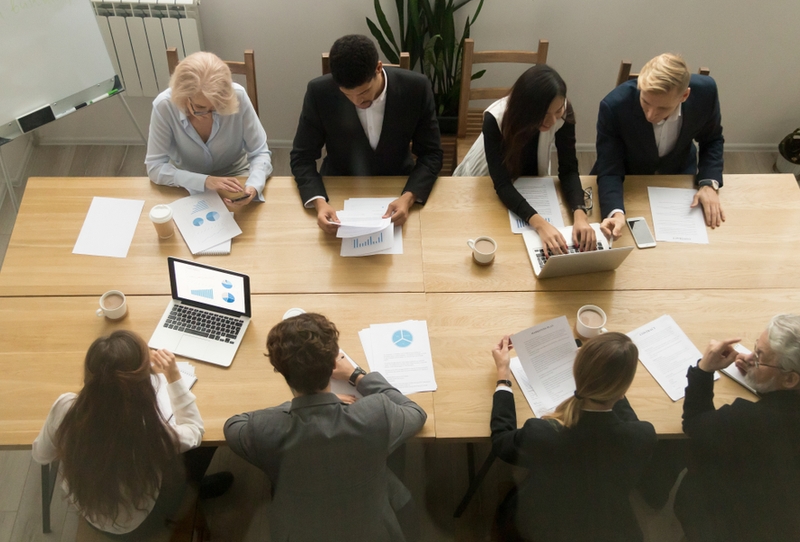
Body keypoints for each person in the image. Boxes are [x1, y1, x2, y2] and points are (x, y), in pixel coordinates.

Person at [224, 312, 427, 541]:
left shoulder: (263, 429)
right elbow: (416, 413)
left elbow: (233, 425)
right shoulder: (375, 413)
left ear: (279, 369)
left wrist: (302, 405)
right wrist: (356, 375)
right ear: (333, 364)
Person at [31, 330, 231, 539]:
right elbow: (194, 430)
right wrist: (173, 376)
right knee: (207, 445)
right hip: (139, 523)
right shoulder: (151, 431)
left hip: (90, 511)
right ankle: (196, 488)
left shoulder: (65, 408)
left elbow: (41, 455)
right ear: (144, 382)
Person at [490, 332, 656, 542]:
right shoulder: (642, 436)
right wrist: (610, 374)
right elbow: (627, 420)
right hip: (606, 528)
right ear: (623, 389)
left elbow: (501, 441)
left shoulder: (541, 434)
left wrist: (503, 375)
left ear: (576, 374)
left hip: (542, 526)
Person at [290, 34, 443, 234]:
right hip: (339, 190)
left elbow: (432, 154)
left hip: (398, 186)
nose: (356, 102)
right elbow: (302, 157)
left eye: (363, 92)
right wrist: (319, 202)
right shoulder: (319, 92)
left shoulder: (416, 89)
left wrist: (409, 197)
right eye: (347, 95)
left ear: (378, 68)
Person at [675, 314, 800, 542]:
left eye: (760, 357)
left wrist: (703, 370)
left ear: (790, 379)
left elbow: (694, 422)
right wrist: (762, 375)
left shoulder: (750, 420)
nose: (749, 357)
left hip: (733, 526)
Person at [454, 64, 595, 255]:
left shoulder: (563, 111)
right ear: (526, 109)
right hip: (486, 180)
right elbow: (502, 184)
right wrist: (541, 225)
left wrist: (580, 214)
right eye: (544, 115)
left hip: (531, 181)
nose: (553, 121)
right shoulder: (495, 119)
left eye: (557, 111)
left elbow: (569, 169)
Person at [593, 53, 725, 240]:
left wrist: (709, 183)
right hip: (629, 179)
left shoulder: (706, 93)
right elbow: (609, 166)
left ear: (684, 95)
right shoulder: (614, 106)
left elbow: (712, 140)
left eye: (662, 108)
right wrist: (615, 212)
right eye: (645, 103)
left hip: (678, 176)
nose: (651, 115)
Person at [145, 51, 272, 206]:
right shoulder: (164, 106)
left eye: (216, 108)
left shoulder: (237, 95)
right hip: (186, 181)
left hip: (237, 177)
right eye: (199, 107)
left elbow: (260, 152)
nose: (207, 115)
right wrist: (204, 181)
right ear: (182, 96)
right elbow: (155, 167)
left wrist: (253, 185)